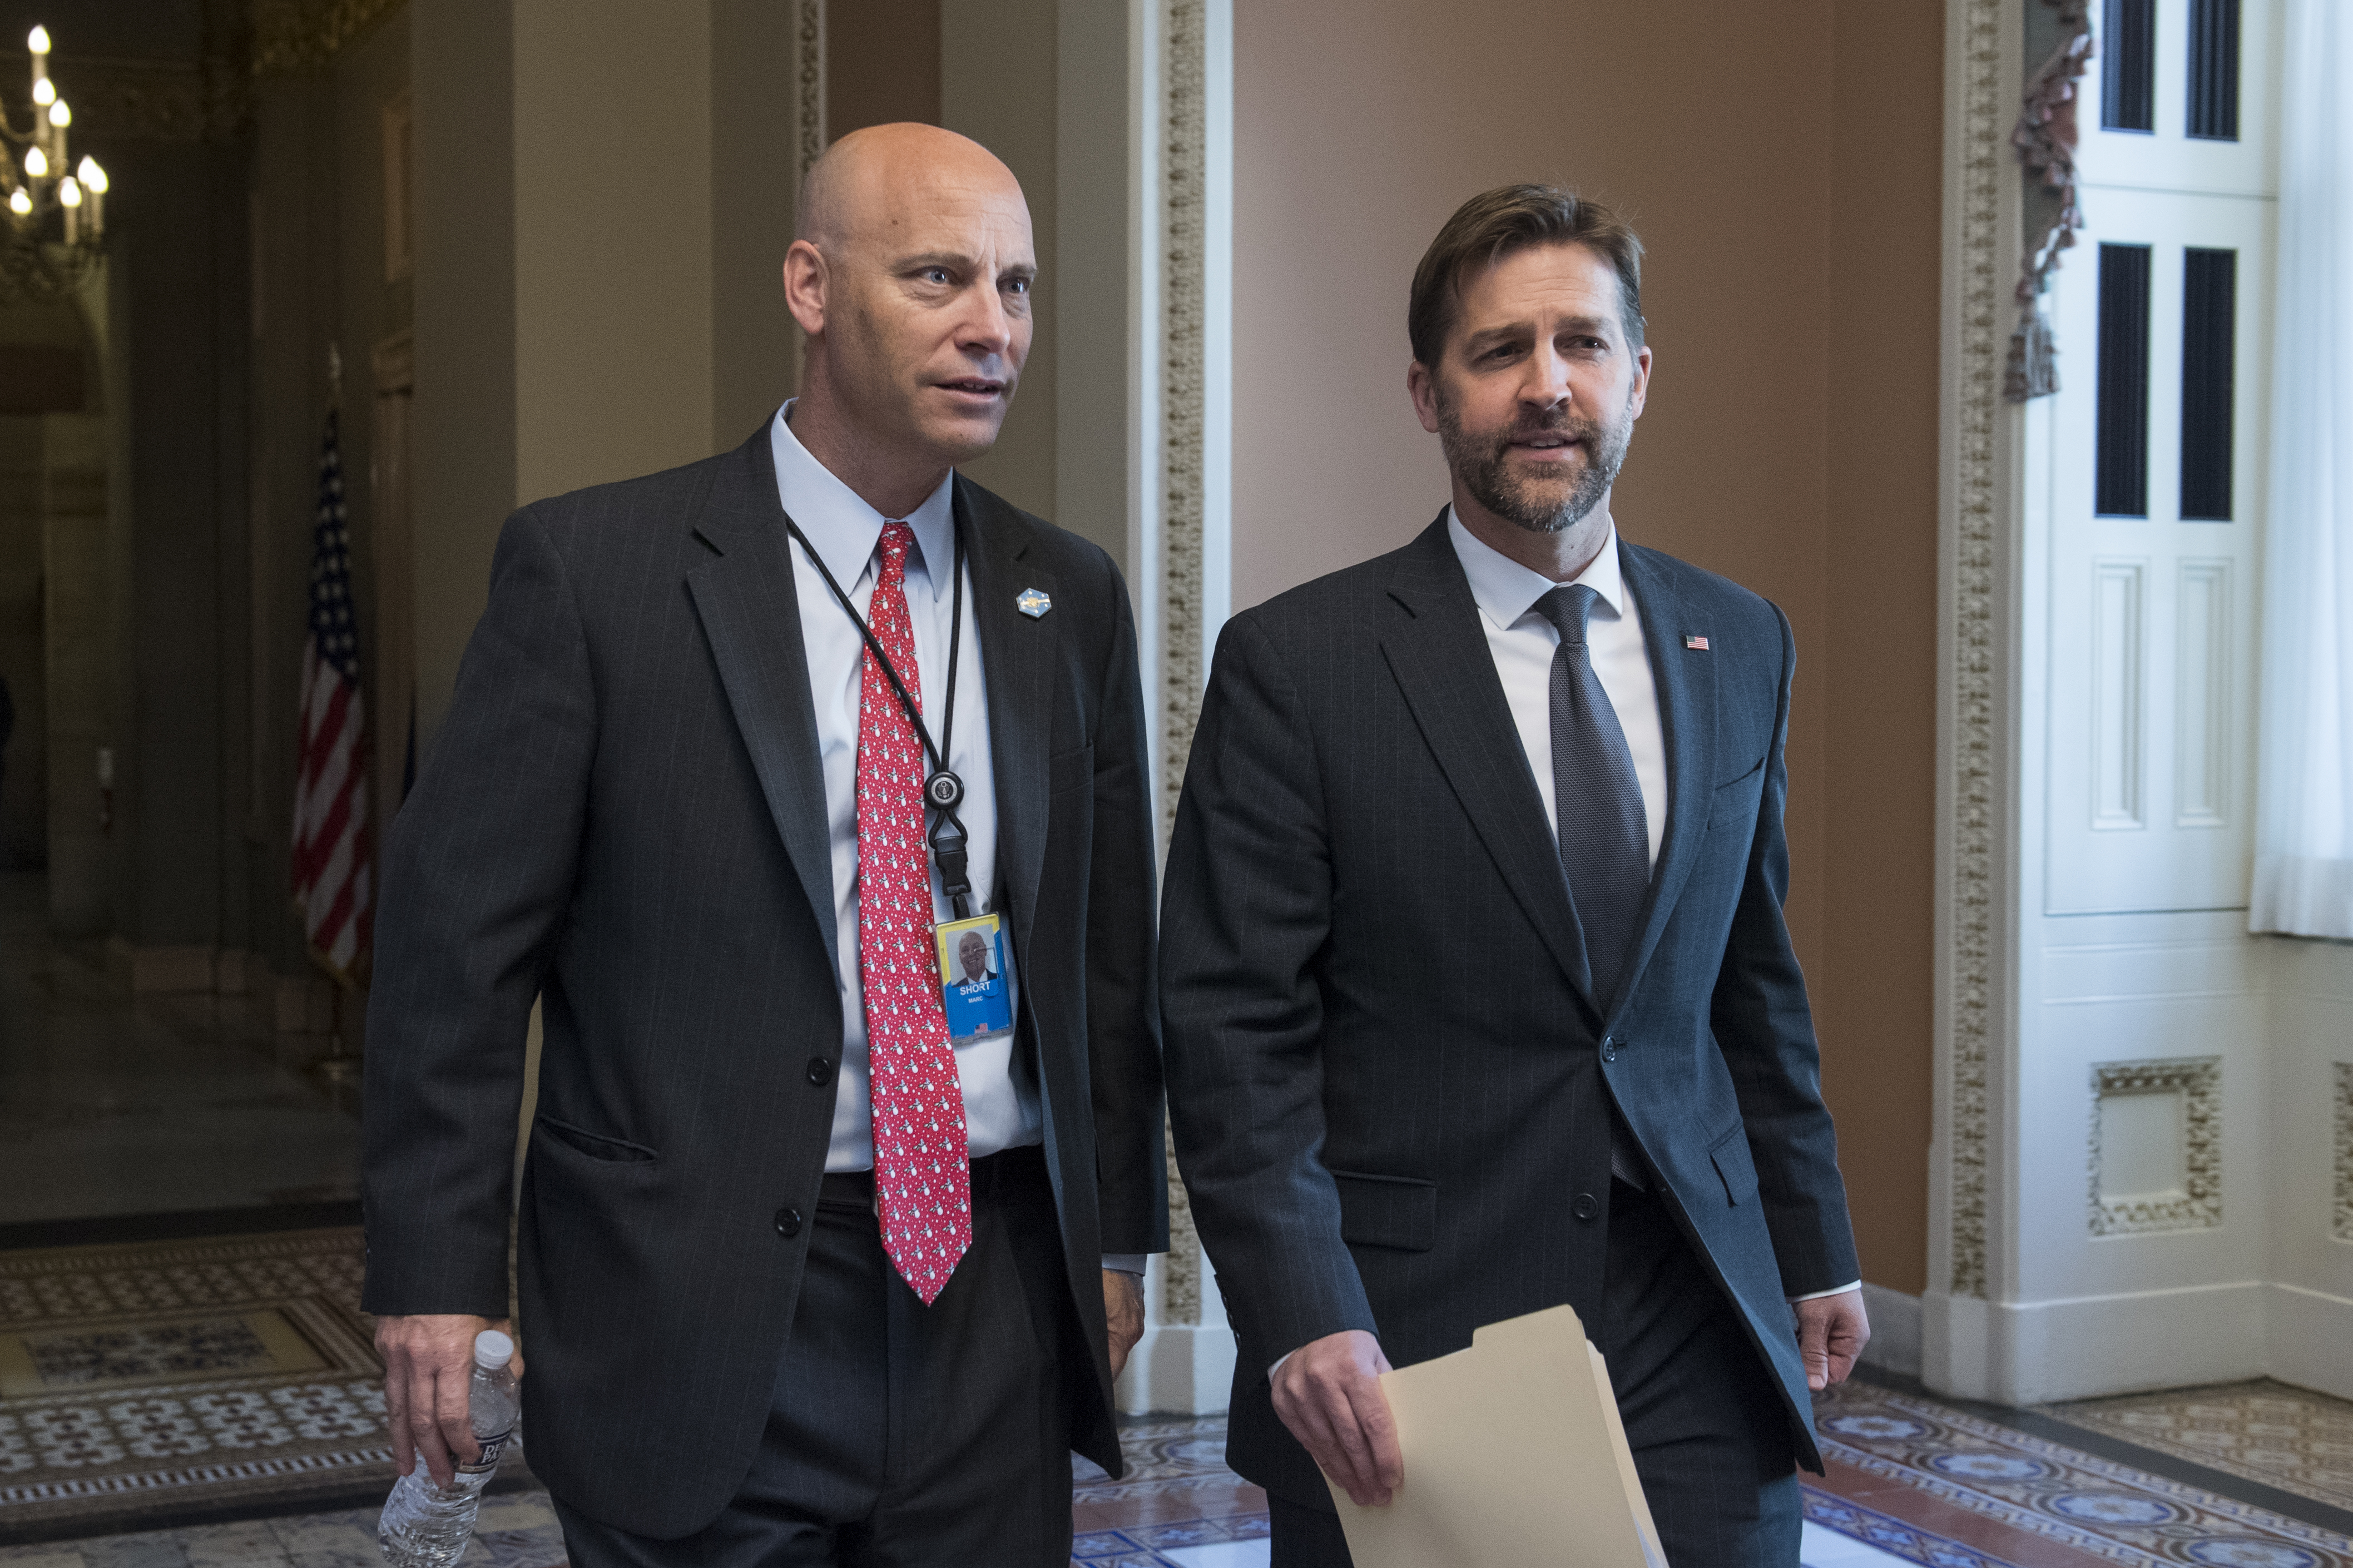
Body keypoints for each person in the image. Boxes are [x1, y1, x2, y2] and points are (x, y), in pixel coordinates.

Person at [361, 123, 1166, 1566]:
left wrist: (1113, 1240)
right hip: (697, 1295)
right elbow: (454, 955)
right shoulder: (598, 574)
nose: (995, 328)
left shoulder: (1068, 595)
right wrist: (436, 1277)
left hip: (988, 1298)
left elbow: (1105, 951)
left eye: (1019, 288)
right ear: (809, 284)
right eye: (940, 278)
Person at [1159, 184, 1869, 1567]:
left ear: (1638, 375)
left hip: (1697, 1312)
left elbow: (1750, 978)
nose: (1547, 387)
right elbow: (1230, 1029)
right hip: (1413, 1335)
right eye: (1498, 354)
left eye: (1582, 345)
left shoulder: (1743, 641)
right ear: (1428, 395)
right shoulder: (1299, 668)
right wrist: (1301, 1307)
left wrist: (1814, 1234)